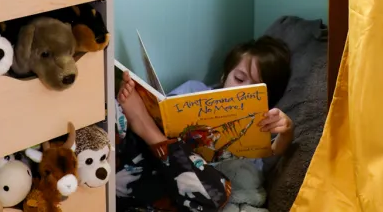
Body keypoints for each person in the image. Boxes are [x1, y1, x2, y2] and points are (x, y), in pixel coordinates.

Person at [115, 36, 293, 211]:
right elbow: (165, 115)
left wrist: (286, 131)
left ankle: (146, 128)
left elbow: (275, 151)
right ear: (224, 75)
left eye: (254, 88)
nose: (241, 90)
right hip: (154, 171)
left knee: (217, 192)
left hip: (197, 190)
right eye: (239, 79)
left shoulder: (261, 121)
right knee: (120, 125)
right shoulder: (193, 90)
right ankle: (141, 127)